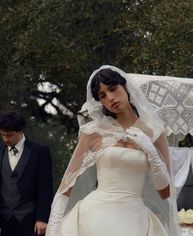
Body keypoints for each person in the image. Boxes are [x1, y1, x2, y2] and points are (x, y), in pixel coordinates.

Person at [46, 65, 179, 236]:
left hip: (134, 220)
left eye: (113, 89)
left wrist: (151, 153)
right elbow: (66, 187)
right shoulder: (94, 132)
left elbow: (165, 192)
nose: (110, 98)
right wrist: (54, 229)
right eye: (102, 95)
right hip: (94, 217)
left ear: (126, 87)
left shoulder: (155, 133)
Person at [0, 112, 53, 236]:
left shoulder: (40, 151)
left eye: (9, 135)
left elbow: (46, 187)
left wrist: (43, 218)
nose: (5, 139)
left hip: (29, 219)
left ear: (21, 130)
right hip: (3, 218)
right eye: (2, 135)